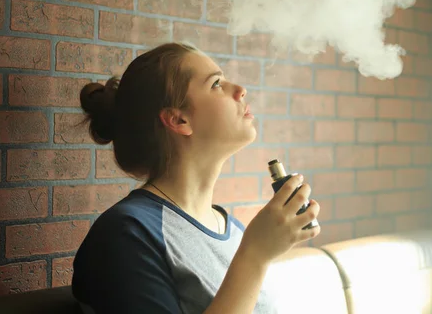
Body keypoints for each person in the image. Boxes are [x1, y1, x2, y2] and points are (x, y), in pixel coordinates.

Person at [71, 42, 321, 314]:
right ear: (178, 120)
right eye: (216, 84)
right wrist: (255, 255)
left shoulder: (234, 230)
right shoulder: (127, 234)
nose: (240, 90)